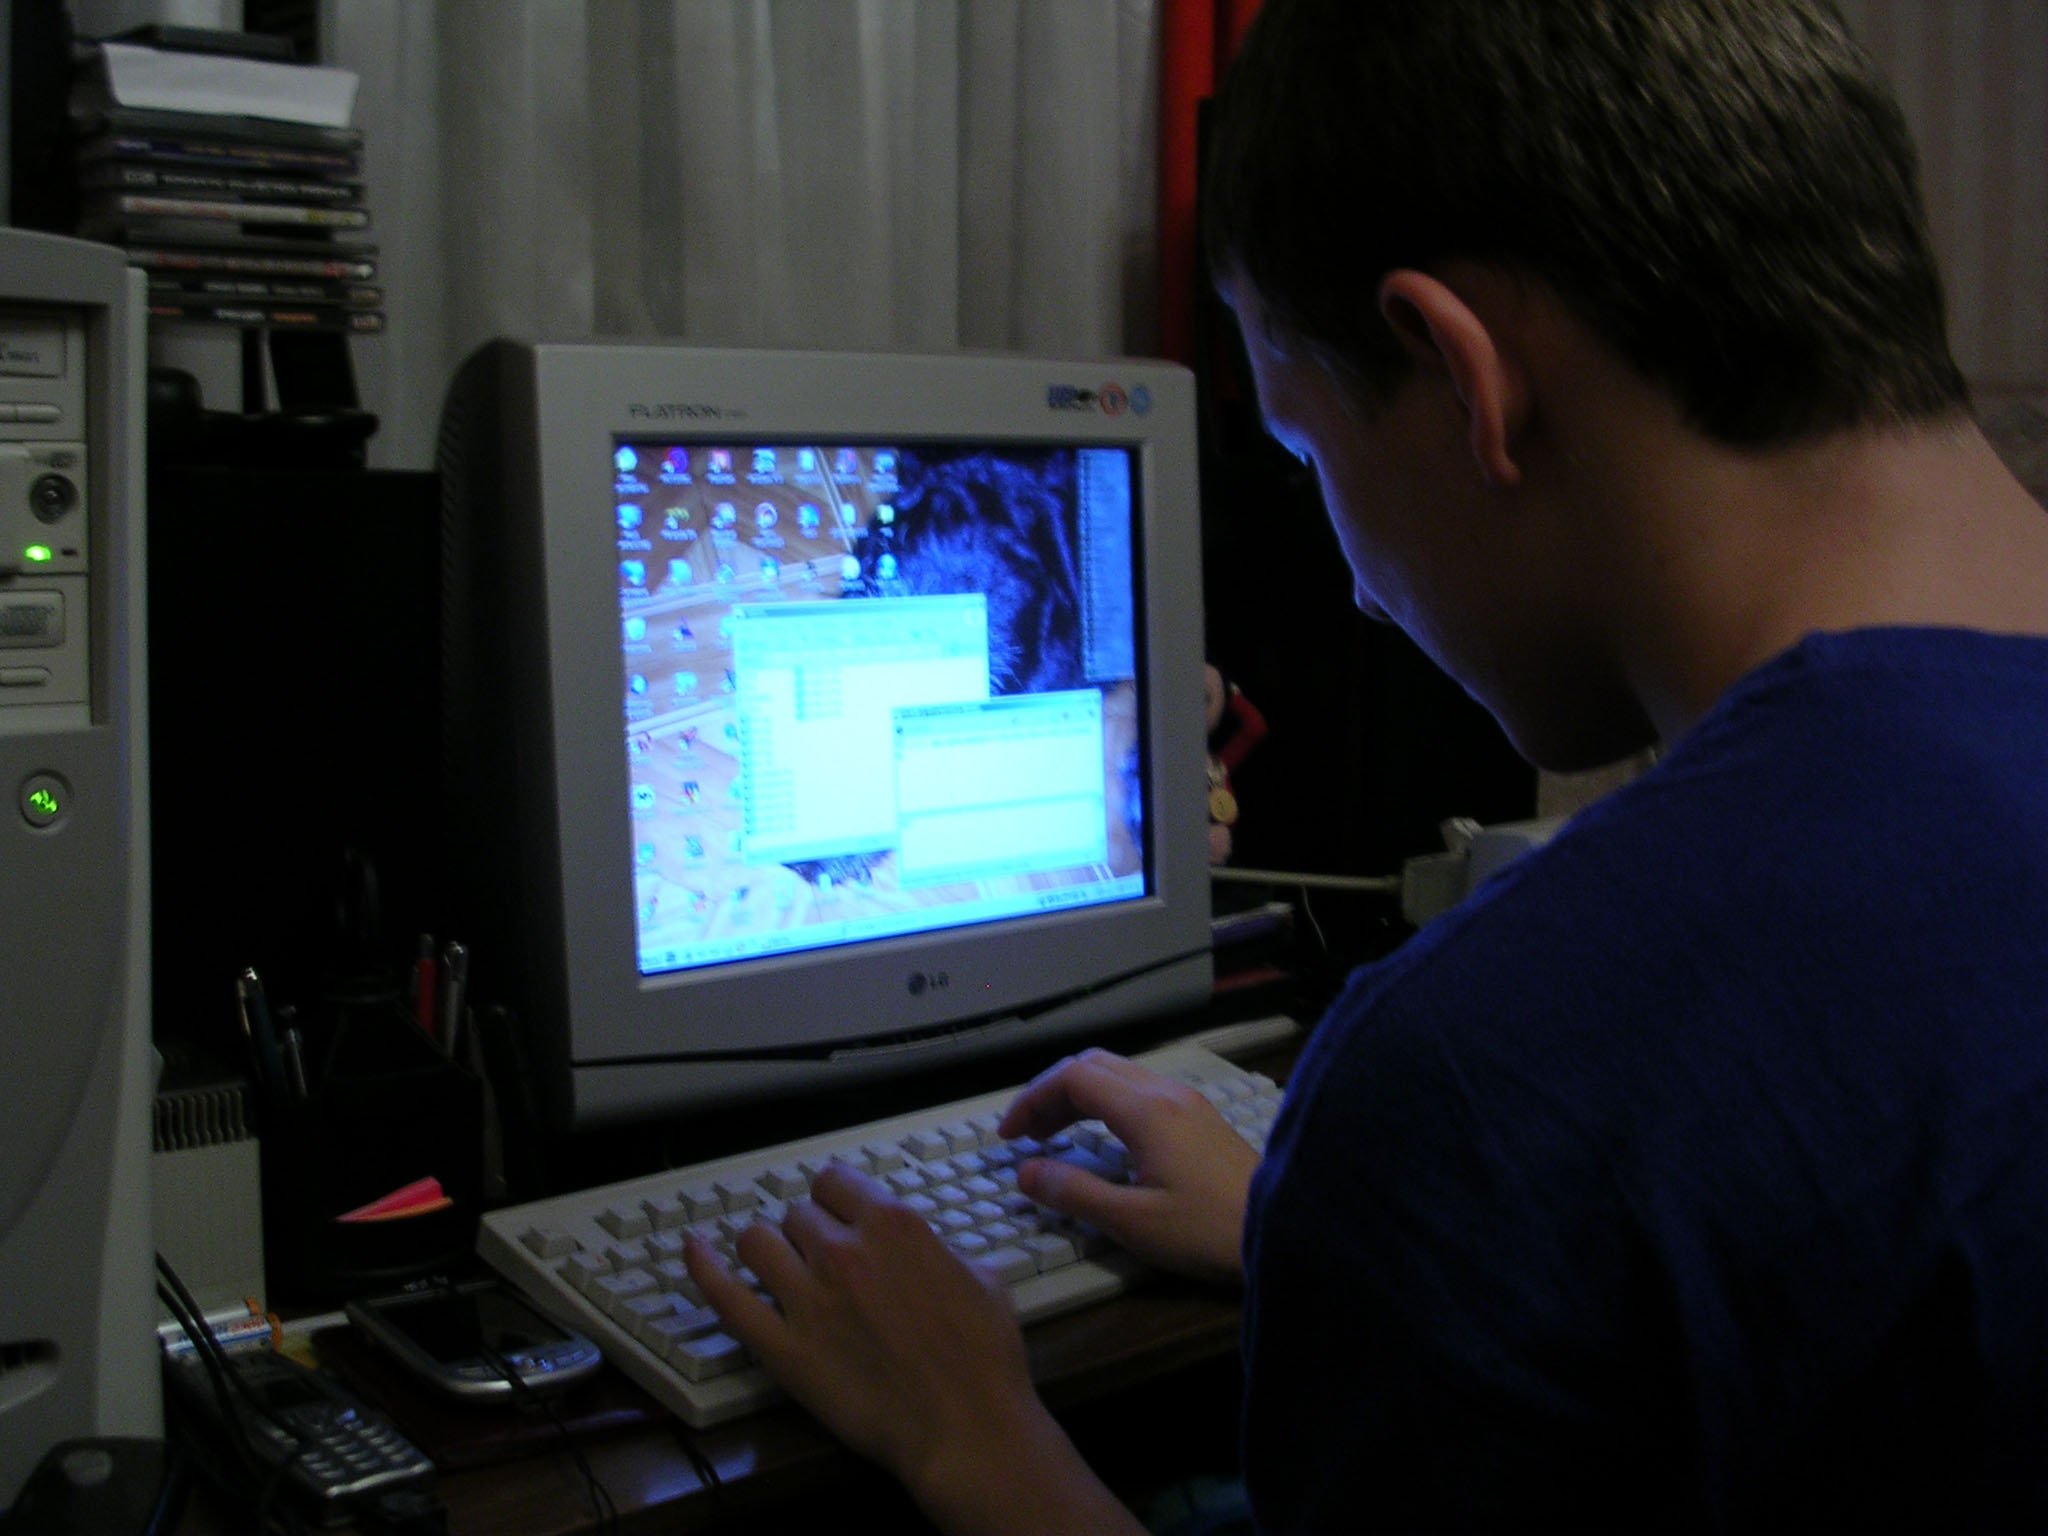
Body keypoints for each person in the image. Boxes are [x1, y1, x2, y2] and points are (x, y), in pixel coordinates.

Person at [684, 1, 2048, 1529]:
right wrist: (1320, 1240)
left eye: (1307, 450)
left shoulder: (1487, 1086)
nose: (1352, 586)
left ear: (1465, 378)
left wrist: (973, 1438)